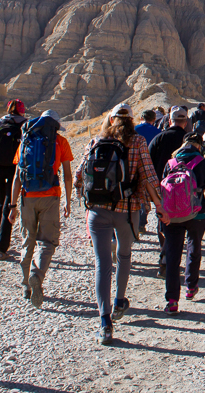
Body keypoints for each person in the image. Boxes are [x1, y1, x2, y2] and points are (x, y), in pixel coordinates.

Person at [74, 103, 165, 345]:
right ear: (131, 120)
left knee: (102, 263)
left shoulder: (96, 141)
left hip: (97, 210)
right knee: (124, 255)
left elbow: (79, 175)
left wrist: (85, 197)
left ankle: (105, 322)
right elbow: (149, 176)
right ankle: (119, 301)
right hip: (127, 210)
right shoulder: (137, 142)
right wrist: (159, 205)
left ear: (111, 119)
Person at [7, 109, 73, 309]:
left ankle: (25, 285)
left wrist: (12, 206)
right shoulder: (60, 141)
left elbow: (17, 177)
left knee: (28, 240)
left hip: (27, 197)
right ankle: (37, 275)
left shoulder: (26, 140)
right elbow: (67, 175)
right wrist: (68, 201)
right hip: (51, 197)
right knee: (47, 241)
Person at [160, 133, 205, 313]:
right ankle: (191, 287)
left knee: (172, 255)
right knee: (194, 247)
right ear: (199, 146)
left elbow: (162, 191)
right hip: (197, 215)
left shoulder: (170, 164)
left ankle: (172, 300)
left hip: (172, 216)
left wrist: (161, 220)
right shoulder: (204, 163)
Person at [149, 106, 190, 278]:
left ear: (169, 120)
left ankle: (165, 258)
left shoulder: (159, 138)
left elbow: (149, 164)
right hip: (184, 189)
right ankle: (170, 259)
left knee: (163, 222)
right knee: (179, 225)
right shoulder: (188, 140)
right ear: (185, 122)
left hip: (161, 189)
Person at [0, 99, 26, 260]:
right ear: (22, 110)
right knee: (9, 205)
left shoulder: (0, 122)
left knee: (0, 202)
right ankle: (1, 249)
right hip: (13, 168)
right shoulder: (25, 124)